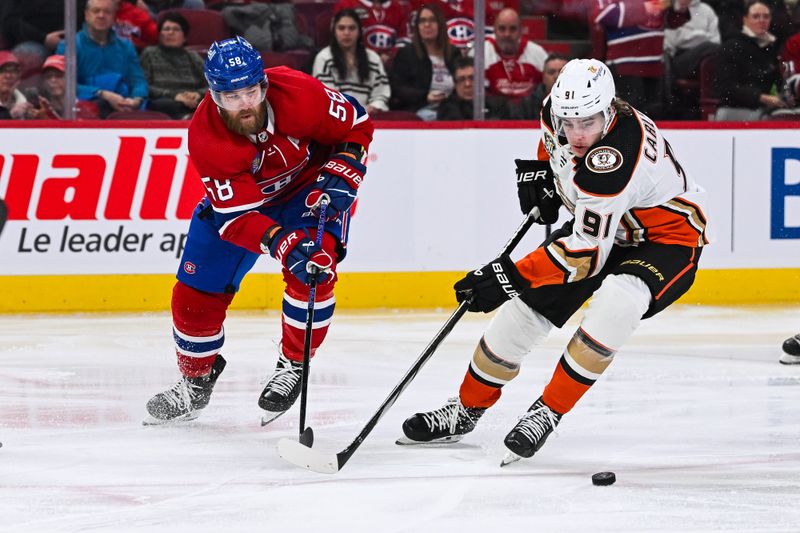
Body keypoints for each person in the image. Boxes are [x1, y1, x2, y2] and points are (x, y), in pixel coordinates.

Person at [399, 58, 709, 464]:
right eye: (570, 123)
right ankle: (465, 409)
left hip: (665, 239)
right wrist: (544, 174)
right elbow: (551, 139)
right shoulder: (556, 109)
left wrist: (508, 276)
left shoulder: (615, 156)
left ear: (609, 110)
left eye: (589, 123)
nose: (577, 135)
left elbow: (585, 255)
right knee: (521, 313)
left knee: (616, 302)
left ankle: (548, 411)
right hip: (606, 225)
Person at [144, 36, 374, 426]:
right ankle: (195, 381)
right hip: (243, 210)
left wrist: (347, 165)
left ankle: (293, 365)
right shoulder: (206, 139)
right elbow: (237, 219)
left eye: (251, 91)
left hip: (308, 189)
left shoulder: (298, 91)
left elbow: (357, 122)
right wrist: (280, 242)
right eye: (232, 97)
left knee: (315, 268)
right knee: (193, 298)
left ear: (263, 84)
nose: (245, 104)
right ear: (213, 94)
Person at [56, 0, 148, 118]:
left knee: (167, 106)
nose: (101, 15)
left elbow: (137, 80)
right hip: (87, 105)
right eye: (96, 11)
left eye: (107, 12)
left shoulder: (126, 46)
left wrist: (137, 99)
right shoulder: (69, 45)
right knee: (101, 105)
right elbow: (66, 84)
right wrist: (102, 94)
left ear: (114, 16)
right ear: (86, 15)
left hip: (125, 103)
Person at [593, 0, 670, 119]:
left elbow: (673, 21)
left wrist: (679, 7)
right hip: (625, 66)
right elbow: (601, 15)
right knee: (631, 114)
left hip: (655, 66)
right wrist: (642, 7)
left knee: (656, 113)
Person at [714, 0, 789, 120]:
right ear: (745, 20)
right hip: (734, 110)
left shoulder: (771, 47)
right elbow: (726, 88)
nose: (761, 20)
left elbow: (779, 81)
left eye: (766, 16)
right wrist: (761, 97)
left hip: (763, 107)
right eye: (755, 16)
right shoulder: (731, 47)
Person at [312, 9, 391, 115]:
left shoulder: (373, 58)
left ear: (359, 31)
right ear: (334, 31)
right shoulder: (324, 58)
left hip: (368, 117)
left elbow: (381, 93)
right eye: (341, 28)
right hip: (334, 118)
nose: (346, 33)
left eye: (352, 28)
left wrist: (373, 107)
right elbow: (327, 96)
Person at [389, 3, 458, 120]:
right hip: (419, 108)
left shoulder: (454, 53)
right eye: (422, 21)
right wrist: (426, 97)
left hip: (451, 108)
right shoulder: (407, 53)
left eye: (432, 20)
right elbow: (398, 88)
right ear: (417, 27)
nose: (427, 25)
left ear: (440, 24)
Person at [139, 12, 207, 119]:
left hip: (192, 99)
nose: (170, 32)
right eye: (166, 29)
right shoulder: (149, 53)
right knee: (168, 105)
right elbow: (143, 86)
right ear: (159, 34)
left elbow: (213, 85)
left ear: (184, 37)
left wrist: (198, 94)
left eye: (176, 29)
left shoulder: (192, 56)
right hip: (164, 100)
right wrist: (175, 95)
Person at [480, 8, 548, 104]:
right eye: (502, 28)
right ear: (494, 30)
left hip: (529, 114)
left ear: (521, 30)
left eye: (513, 29)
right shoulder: (481, 53)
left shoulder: (538, 53)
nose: (507, 34)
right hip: (493, 114)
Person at [436, 55, 510, 120]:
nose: (467, 84)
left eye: (472, 78)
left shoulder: (499, 104)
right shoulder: (447, 108)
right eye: (461, 79)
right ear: (455, 83)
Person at [333, 0, 409, 63]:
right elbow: (338, 39)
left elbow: (404, 39)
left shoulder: (399, 8)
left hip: (392, 66)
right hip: (356, 63)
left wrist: (390, 55)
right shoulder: (346, 5)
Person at [514, 53, 569, 120]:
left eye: (561, 72)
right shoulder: (527, 104)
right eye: (551, 72)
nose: (556, 76)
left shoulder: (583, 101)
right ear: (543, 77)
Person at [0, 51, 33, 120]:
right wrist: (10, 115)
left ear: (19, 78)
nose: (8, 76)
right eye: (2, 71)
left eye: (13, 71)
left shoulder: (26, 101)